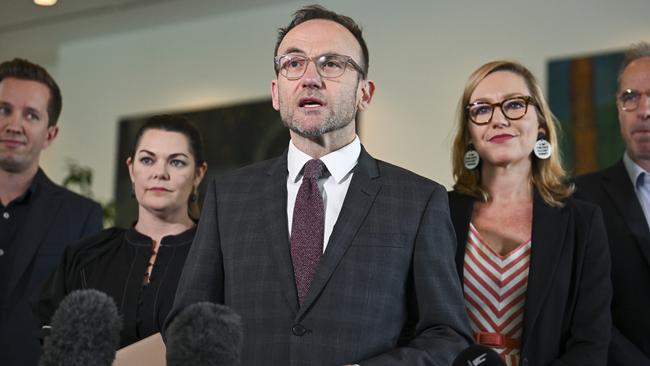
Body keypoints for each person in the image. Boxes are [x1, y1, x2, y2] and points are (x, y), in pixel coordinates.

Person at [165, 5, 471, 365]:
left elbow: (447, 336)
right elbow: (187, 324)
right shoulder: (229, 195)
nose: (310, 78)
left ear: (365, 94)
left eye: (331, 63)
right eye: (294, 63)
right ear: (277, 93)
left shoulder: (418, 200)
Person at [448, 60, 612, 366]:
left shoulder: (582, 222)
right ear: (469, 132)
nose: (498, 120)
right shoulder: (437, 213)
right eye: (482, 109)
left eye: (514, 104)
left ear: (540, 124)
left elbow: (591, 343)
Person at [35, 115, 208, 349]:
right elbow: (52, 342)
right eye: (147, 160)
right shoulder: (86, 256)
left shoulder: (217, 257)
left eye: (176, 162)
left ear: (198, 174)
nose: (160, 173)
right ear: (131, 169)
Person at [0, 58, 103, 365]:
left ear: (50, 134)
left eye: (31, 115)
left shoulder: (81, 216)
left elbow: (81, 324)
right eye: (4, 109)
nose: (14, 125)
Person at [574, 42, 650, 366]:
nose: (644, 110)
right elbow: (585, 309)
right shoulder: (580, 198)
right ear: (618, 108)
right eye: (631, 97)